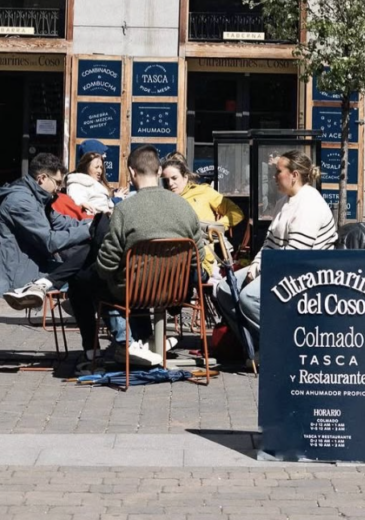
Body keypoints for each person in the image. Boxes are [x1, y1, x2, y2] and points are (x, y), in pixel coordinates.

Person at [66, 144, 206, 368]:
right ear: (159, 171)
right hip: (175, 290)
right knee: (127, 276)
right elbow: (198, 256)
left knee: (83, 281)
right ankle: (144, 340)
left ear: (132, 172)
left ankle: (122, 344)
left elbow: (108, 262)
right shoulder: (184, 207)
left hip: (134, 288)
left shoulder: (124, 210)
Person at [215, 151, 337, 351]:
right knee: (225, 289)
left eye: (278, 171)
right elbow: (270, 242)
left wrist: (262, 272)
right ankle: (254, 346)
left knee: (249, 297)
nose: (274, 176)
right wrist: (255, 265)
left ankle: (284, 346)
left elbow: (295, 256)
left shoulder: (310, 204)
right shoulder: (284, 202)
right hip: (280, 264)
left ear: (294, 175)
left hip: (305, 273)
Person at [0, 152, 93, 311]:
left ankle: (85, 314)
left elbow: (61, 222)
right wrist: (88, 229)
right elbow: (50, 241)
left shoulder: (37, 198)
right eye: (58, 183)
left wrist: (93, 222)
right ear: (42, 178)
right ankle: (115, 330)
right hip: (21, 274)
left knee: (87, 265)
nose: (59, 189)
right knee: (88, 272)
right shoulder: (20, 202)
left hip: (37, 263)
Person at [161, 154, 244, 270]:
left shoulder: (203, 192)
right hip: (169, 259)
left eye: (174, 178)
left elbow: (236, 213)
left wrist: (214, 228)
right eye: (166, 181)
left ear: (185, 176)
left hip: (199, 261)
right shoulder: (162, 199)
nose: (170, 184)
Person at [66, 150, 115, 215]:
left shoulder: (99, 185)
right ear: (86, 167)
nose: (99, 171)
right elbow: (77, 205)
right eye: (96, 167)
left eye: (101, 168)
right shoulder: (77, 184)